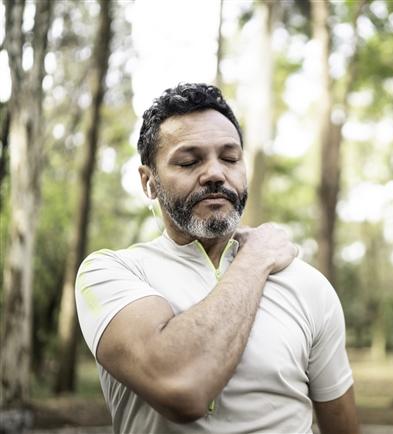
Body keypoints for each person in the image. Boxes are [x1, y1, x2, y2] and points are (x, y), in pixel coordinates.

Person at [75, 83, 359, 434]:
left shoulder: (307, 285)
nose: (214, 173)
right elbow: (180, 386)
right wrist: (256, 259)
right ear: (148, 182)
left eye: (229, 158)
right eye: (188, 161)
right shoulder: (111, 272)